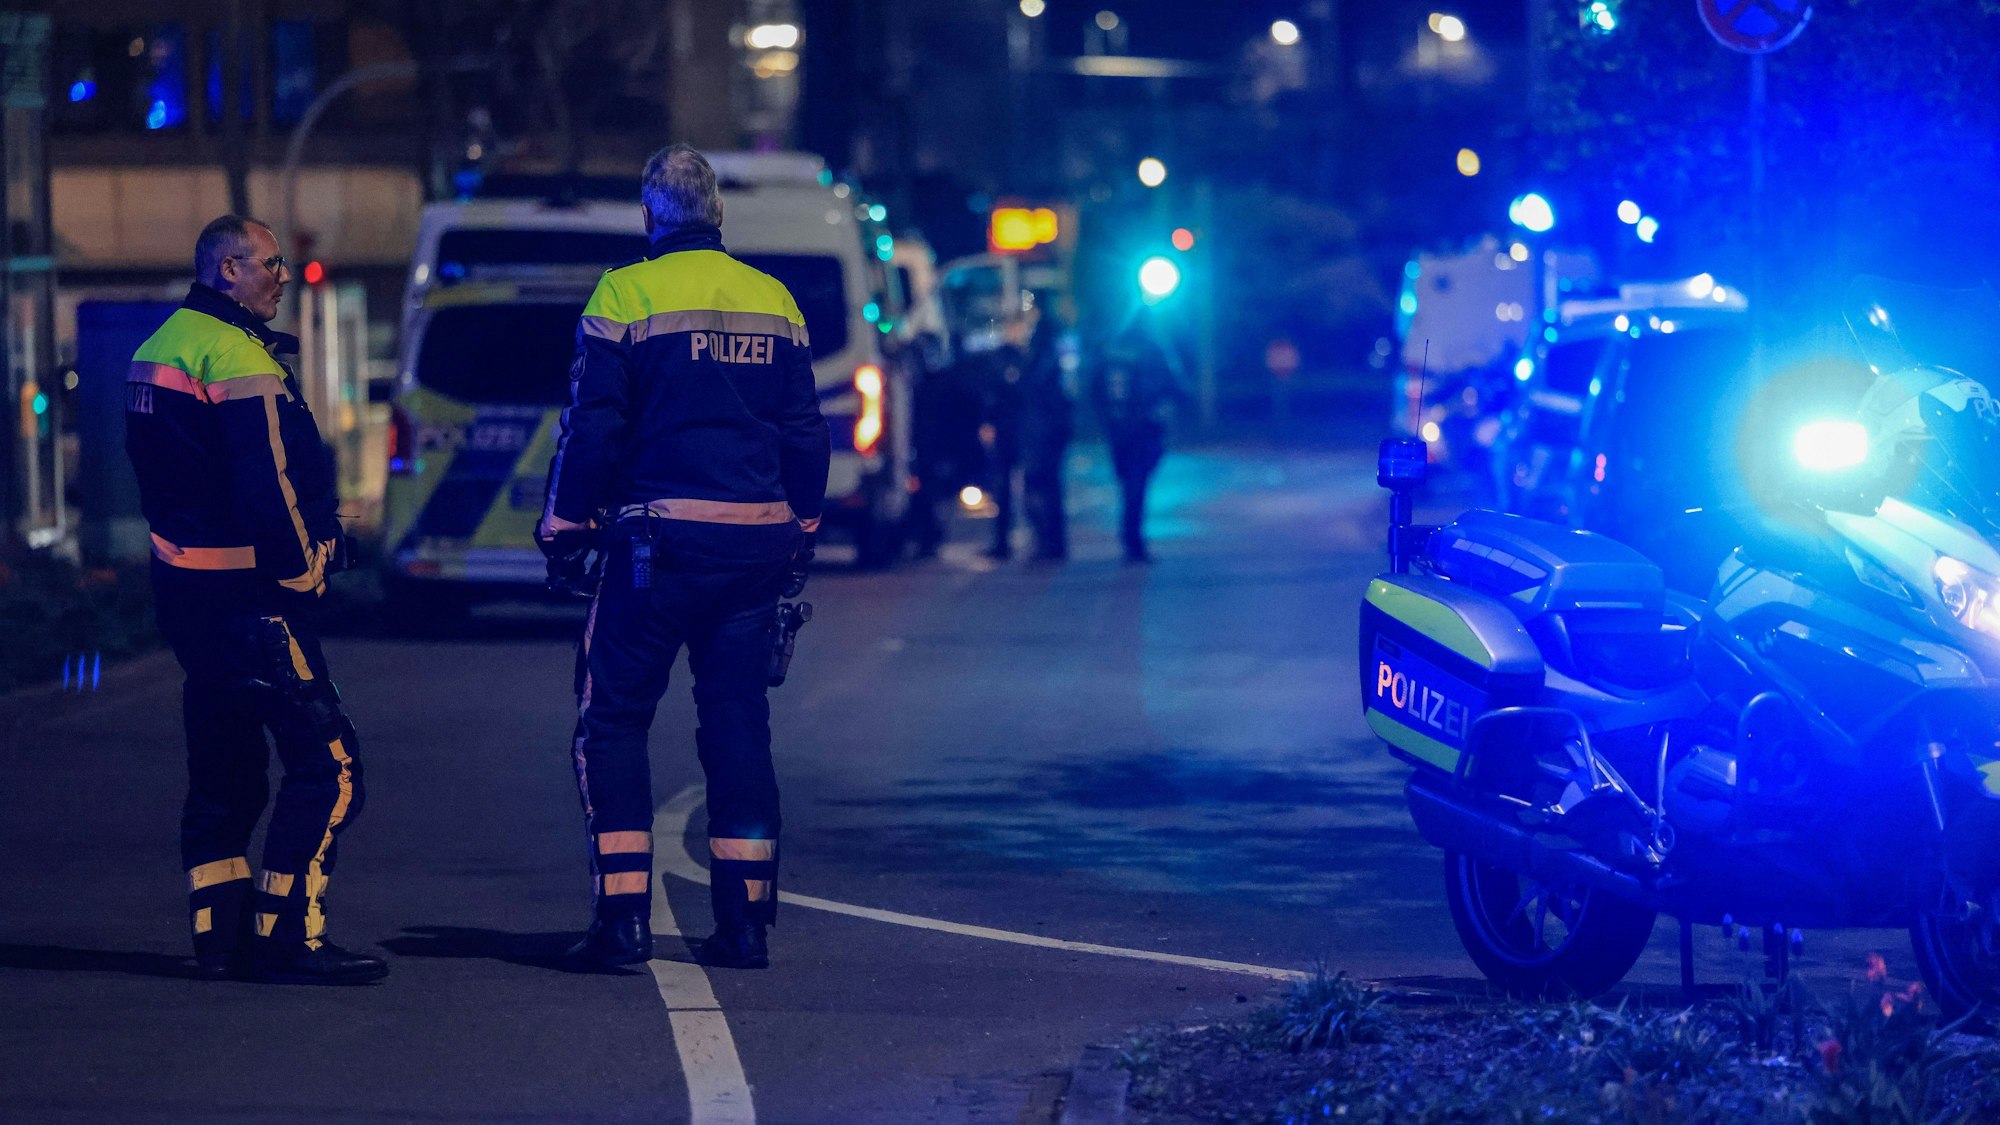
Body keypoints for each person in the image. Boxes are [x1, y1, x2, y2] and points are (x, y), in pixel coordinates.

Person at [536, 144, 829, 971]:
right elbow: (806, 434)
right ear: (718, 214)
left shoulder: (625, 294)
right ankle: (745, 924)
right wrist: (801, 529)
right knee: (738, 723)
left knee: (613, 719)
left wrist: (563, 525)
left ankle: (623, 919)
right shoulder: (774, 300)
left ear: (648, 216)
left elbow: (592, 428)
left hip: (654, 549)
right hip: (755, 549)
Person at [125, 215, 383, 984]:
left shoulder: (159, 347)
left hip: (186, 594)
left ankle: (220, 938)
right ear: (228, 268)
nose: (281, 277)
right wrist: (311, 570)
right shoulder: (238, 356)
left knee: (224, 770)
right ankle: (288, 936)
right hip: (252, 595)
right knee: (330, 767)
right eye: (270, 264)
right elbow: (268, 492)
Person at [1089, 315, 1187, 563]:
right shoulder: (1152, 350)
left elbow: (1094, 388)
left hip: (1118, 429)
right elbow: (1175, 386)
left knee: (1127, 483)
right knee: (1137, 485)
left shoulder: (1110, 350)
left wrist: (1106, 419)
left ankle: (1130, 537)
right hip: (1143, 429)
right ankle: (1133, 541)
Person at [1017, 296, 1076, 561]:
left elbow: (1035, 381)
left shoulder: (1043, 340)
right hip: (1054, 424)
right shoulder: (1060, 337)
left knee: (1040, 484)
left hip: (1043, 426)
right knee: (1049, 485)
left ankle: (1047, 542)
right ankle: (1053, 542)